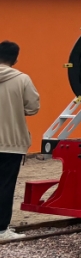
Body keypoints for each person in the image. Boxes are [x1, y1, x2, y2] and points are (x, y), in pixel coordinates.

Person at [0, 40, 39, 241]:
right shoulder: (22, 80)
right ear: (15, 58)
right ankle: (1, 230)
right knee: (5, 185)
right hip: (11, 142)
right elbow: (33, 107)